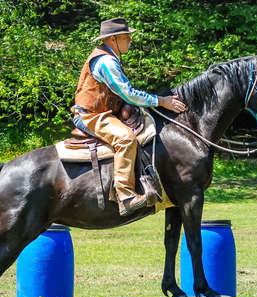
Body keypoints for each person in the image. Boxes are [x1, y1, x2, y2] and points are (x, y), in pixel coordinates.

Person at [72, 17, 186, 216]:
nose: (130, 41)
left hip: (102, 113)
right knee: (126, 138)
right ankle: (126, 196)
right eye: (127, 37)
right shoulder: (106, 62)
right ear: (113, 39)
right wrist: (161, 101)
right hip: (92, 116)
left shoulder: (109, 57)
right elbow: (128, 94)